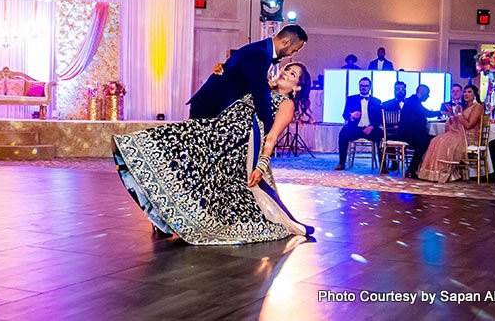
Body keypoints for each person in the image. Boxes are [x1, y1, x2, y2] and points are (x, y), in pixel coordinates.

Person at [113, 63, 315, 244]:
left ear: (297, 87)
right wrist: (220, 72)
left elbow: (271, 137)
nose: (286, 73)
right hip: (217, 131)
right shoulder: (260, 87)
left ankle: (171, 221)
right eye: (287, 69)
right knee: (180, 160)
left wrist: (261, 166)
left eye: (293, 74)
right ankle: (161, 217)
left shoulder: (286, 104)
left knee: (192, 166)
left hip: (236, 145)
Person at [188, 25, 307, 135]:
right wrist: (269, 130)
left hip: (210, 107)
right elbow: (259, 93)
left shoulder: (259, 49)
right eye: (294, 50)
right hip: (209, 109)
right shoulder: (260, 54)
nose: (291, 55)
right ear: (286, 41)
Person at [417, 85, 483, 183]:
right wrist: (452, 115)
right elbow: (459, 122)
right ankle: (434, 173)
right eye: (465, 92)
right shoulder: (465, 107)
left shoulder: (478, 107)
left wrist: (459, 114)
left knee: (443, 141)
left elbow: (469, 125)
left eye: (469, 92)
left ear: (475, 95)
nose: (466, 94)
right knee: (436, 140)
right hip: (459, 134)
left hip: (469, 137)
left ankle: (444, 173)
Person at [335, 77, 383, 171]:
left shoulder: (376, 101)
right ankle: (341, 163)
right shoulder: (351, 99)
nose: (363, 88)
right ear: (359, 87)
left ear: (370, 87)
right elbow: (345, 115)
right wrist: (351, 115)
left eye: (366, 86)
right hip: (355, 128)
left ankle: (383, 165)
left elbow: (379, 118)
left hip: (370, 129)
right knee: (343, 133)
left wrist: (372, 126)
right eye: (361, 86)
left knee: (382, 135)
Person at [398, 84, 441, 178]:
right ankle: (412, 169)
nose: (428, 96)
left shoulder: (414, 101)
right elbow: (427, 113)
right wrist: (441, 112)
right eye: (427, 94)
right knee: (424, 143)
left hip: (413, 132)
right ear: (421, 93)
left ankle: (424, 168)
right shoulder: (413, 101)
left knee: (435, 140)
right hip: (407, 134)